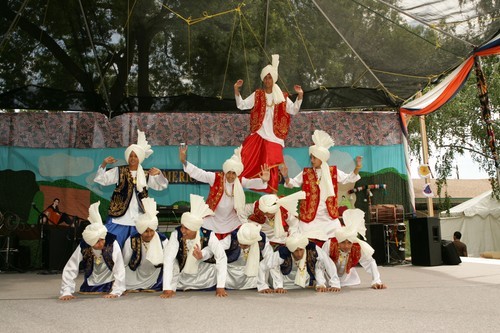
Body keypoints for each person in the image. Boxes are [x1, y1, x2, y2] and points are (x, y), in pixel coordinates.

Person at [234, 54, 304, 193]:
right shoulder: (258, 94)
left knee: (271, 167)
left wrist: (300, 95)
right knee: (245, 155)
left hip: (275, 137)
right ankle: (237, 182)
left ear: (274, 79)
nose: (267, 80)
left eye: (270, 77)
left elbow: (294, 110)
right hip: (259, 132)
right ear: (263, 80)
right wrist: (236, 89)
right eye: (265, 77)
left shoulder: (282, 96)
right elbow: (241, 105)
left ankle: (271, 196)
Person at [281, 129, 362, 240]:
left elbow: (348, 179)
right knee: (304, 239)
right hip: (310, 218)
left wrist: (357, 168)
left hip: (329, 218)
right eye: (311, 157)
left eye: (314, 157)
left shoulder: (333, 172)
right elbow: (292, 183)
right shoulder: (306, 173)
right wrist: (285, 176)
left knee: (339, 238)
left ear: (322, 158)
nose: (312, 160)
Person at [94, 129, 168, 247]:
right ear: (128, 157)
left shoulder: (145, 174)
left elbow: (162, 186)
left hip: (139, 217)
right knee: (113, 245)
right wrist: (104, 164)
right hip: (120, 216)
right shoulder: (119, 171)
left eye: (136, 156)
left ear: (140, 158)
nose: (133, 158)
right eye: (131, 156)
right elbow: (101, 179)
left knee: (137, 249)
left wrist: (159, 174)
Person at [179, 145, 269, 238]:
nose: (230, 176)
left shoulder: (239, 182)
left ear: (237, 173)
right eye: (228, 172)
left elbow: (251, 183)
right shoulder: (216, 178)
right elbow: (200, 173)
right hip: (213, 219)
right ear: (225, 171)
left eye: (233, 173)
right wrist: (184, 162)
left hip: (231, 220)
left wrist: (263, 181)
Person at [161, 194, 228, 298]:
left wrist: (220, 287)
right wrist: (167, 288)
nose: (182, 230)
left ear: (195, 228)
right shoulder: (176, 234)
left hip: (204, 276)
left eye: (186, 228)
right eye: (182, 227)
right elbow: (168, 259)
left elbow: (221, 257)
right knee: (173, 262)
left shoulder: (208, 235)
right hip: (181, 277)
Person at [59, 201, 126, 300]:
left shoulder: (112, 243)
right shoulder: (84, 245)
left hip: (111, 282)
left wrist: (117, 290)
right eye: (97, 241)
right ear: (90, 242)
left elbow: (119, 267)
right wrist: (66, 291)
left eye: (102, 239)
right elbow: (71, 267)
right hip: (91, 282)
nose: (101, 243)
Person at [322, 209, 386, 289]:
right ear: (338, 242)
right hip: (327, 279)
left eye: (349, 243)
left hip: (348, 279)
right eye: (343, 243)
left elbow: (370, 262)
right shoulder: (329, 244)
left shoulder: (357, 247)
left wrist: (376, 281)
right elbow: (321, 263)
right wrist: (320, 283)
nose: (346, 246)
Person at [267, 234, 341, 293]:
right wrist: (278, 286)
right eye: (296, 251)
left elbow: (327, 263)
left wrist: (333, 284)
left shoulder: (312, 248)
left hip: (305, 283)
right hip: (284, 282)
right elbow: (273, 267)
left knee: (319, 263)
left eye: (301, 250)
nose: (299, 254)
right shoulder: (283, 251)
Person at [122, 197, 168, 292]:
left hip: (155, 272)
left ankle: (153, 285)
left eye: (152, 230)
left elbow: (168, 261)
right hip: (135, 271)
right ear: (140, 230)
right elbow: (125, 261)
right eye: (146, 231)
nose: (149, 234)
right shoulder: (132, 239)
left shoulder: (163, 240)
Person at [220, 223, 274, 293]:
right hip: (232, 273)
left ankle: (259, 284)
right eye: (241, 243)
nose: (242, 246)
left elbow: (270, 260)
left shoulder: (261, 238)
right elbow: (217, 248)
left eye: (246, 245)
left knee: (264, 263)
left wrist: (277, 286)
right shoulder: (232, 236)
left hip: (254, 274)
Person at [239, 191, 306, 244]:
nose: (267, 215)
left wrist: (291, 236)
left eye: (270, 213)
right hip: (261, 230)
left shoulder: (284, 209)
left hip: (279, 234)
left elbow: (294, 224)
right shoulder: (259, 206)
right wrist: (246, 226)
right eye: (265, 213)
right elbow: (242, 212)